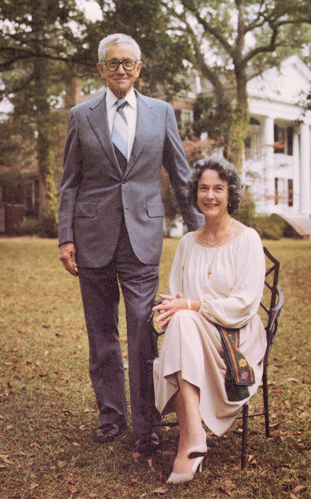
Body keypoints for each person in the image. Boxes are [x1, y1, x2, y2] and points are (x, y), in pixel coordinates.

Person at [58, 33, 203, 454]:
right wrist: (66, 236)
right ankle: (110, 417)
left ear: (139, 68)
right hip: (92, 237)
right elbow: (70, 182)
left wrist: (199, 231)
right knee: (101, 332)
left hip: (142, 237)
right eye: (113, 62)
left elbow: (180, 173)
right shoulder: (81, 115)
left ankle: (147, 423)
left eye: (129, 63)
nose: (121, 69)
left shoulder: (161, 113)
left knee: (143, 332)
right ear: (101, 69)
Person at [152, 155, 267, 483]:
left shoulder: (248, 239)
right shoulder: (188, 243)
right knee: (181, 321)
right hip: (194, 333)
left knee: (185, 320)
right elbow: (177, 295)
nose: (210, 196)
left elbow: (244, 305)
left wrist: (191, 305)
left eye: (218, 188)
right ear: (195, 193)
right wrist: (172, 309)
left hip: (238, 336)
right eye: (203, 188)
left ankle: (189, 440)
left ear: (231, 194)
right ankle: (194, 436)